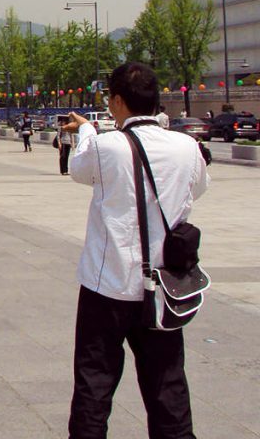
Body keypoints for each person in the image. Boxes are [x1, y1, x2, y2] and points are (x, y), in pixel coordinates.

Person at [63, 62, 209, 439]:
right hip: (163, 289)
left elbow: (79, 170)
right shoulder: (187, 147)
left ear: (116, 101)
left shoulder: (106, 147)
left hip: (107, 286)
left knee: (94, 387)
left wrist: (86, 131)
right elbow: (197, 189)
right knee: (168, 388)